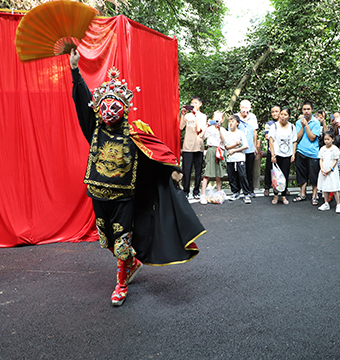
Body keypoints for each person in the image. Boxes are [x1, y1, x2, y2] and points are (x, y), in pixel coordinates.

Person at [69, 49, 205, 306]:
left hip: (124, 197)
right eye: (104, 105)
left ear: (125, 107)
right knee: (106, 239)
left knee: (121, 241)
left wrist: (172, 170)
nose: (109, 111)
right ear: (98, 108)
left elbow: (156, 153)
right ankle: (131, 263)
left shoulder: (135, 133)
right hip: (97, 193)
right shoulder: (94, 130)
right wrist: (75, 71)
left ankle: (121, 283)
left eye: (115, 105)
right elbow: (81, 101)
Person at [294, 101, 321, 205]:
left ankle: (314, 195)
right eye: (304, 109)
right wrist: (302, 126)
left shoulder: (316, 122)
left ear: (312, 110)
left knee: (314, 175)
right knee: (301, 174)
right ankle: (302, 194)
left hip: (313, 153)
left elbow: (312, 137)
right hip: (301, 151)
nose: (306, 111)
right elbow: (297, 138)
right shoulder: (298, 122)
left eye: (308, 109)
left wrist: (306, 125)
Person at [180, 96, 207, 199]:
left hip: (198, 145)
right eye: (192, 103)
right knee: (186, 169)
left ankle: (196, 191)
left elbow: (199, 129)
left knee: (198, 169)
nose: (193, 105)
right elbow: (181, 127)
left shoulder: (203, 116)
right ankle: (185, 190)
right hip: (187, 146)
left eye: (195, 103)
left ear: (200, 104)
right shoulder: (187, 116)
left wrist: (196, 115)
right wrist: (182, 115)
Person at [268, 107, 297, 205]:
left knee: (285, 175)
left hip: (287, 154)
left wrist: (293, 154)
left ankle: (283, 195)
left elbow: (294, 141)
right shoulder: (274, 126)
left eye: (285, 115)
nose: (283, 117)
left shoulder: (292, 127)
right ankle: (275, 195)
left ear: (289, 116)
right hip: (277, 154)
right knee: (276, 176)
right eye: (282, 114)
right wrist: (273, 155)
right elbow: (271, 141)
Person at [200, 111, 227, 204]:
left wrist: (219, 129)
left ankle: (219, 194)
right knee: (207, 173)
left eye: (219, 118)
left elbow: (223, 140)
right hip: (211, 150)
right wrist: (206, 126)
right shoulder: (209, 129)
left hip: (220, 150)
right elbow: (201, 137)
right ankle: (203, 195)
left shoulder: (223, 130)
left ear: (222, 120)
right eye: (215, 118)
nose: (217, 120)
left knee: (218, 174)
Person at [224, 114, 251, 204]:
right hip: (230, 158)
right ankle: (235, 192)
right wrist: (235, 145)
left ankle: (246, 194)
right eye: (230, 121)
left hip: (240, 158)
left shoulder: (241, 133)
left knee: (242, 175)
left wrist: (235, 150)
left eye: (233, 121)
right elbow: (226, 146)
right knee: (232, 176)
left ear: (237, 123)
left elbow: (246, 146)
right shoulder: (227, 133)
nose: (231, 123)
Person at [237, 100, 259, 197]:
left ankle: (250, 189)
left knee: (249, 170)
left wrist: (255, 146)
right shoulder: (235, 117)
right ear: (240, 107)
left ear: (250, 108)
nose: (244, 109)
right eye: (243, 107)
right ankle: (237, 190)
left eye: (247, 107)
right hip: (239, 149)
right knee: (238, 170)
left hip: (250, 148)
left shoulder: (253, 117)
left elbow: (255, 132)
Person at [317, 131, 340, 213]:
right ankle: (326, 203)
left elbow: (335, 160)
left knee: (334, 188)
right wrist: (322, 169)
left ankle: (338, 204)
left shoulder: (335, 149)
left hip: (332, 171)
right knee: (324, 187)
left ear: (333, 139)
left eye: (328, 139)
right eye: (325, 139)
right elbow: (321, 159)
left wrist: (329, 170)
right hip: (323, 170)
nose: (326, 141)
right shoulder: (322, 149)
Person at [263, 105, 281, 197]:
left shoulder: (284, 123)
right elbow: (267, 136)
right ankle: (267, 187)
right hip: (272, 150)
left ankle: (282, 188)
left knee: (282, 169)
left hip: (282, 151)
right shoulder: (269, 124)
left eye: (276, 111)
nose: (274, 113)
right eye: (273, 112)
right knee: (268, 169)